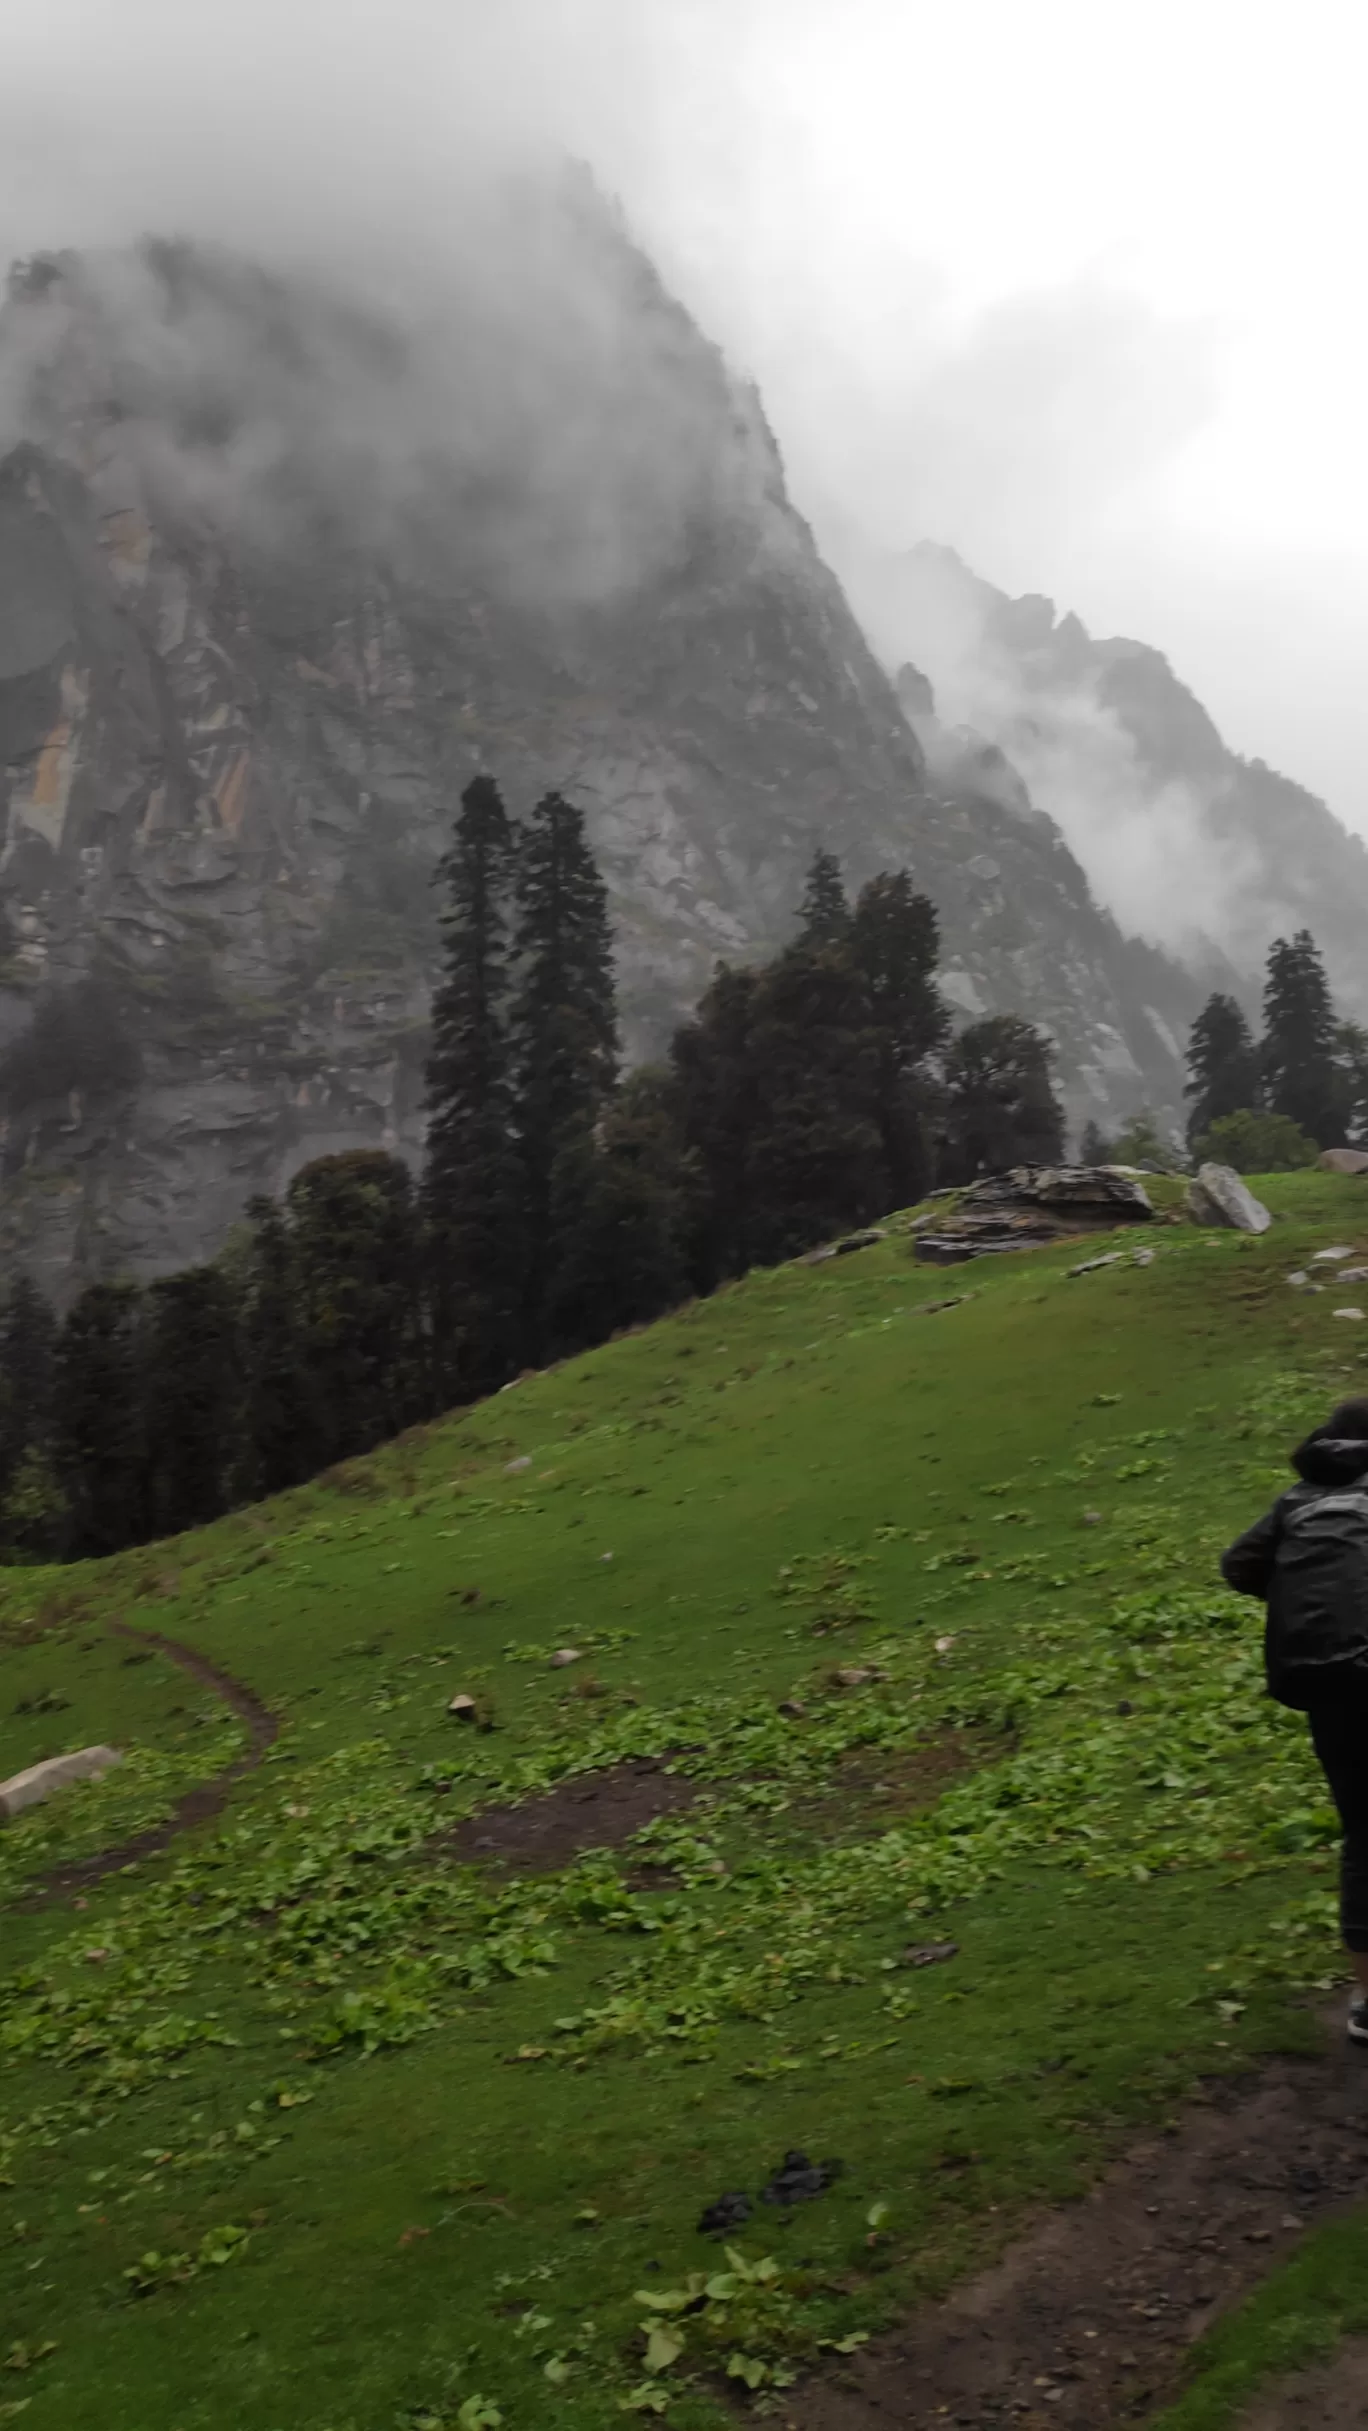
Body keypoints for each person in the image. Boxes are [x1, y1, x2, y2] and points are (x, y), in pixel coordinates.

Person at [1222, 1397, 1368, 2045]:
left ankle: (1367, 1999)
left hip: (1328, 1684)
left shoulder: (1297, 1500)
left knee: (1366, 1835)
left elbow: (1237, 1565)